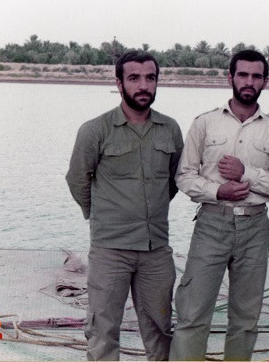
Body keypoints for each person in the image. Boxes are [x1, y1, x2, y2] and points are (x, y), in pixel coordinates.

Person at [169, 50, 269, 361]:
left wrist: (246, 174)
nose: (249, 82)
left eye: (256, 76)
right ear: (230, 77)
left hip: (255, 227)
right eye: (243, 75)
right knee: (192, 313)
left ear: (265, 81)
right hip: (211, 224)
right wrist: (218, 190)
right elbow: (184, 176)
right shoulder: (205, 123)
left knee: (246, 319)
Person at [65, 50, 183, 361]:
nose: (143, 85)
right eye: (134, 78)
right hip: (110, 250)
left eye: (150, 78)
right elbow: (77, 180)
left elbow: (173, 181)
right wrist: (102, 216)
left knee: (161, 329)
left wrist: (149, 212)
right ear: (119, 83)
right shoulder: (96, 130)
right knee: (103, 330)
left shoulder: (170, 129)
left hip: (156, 250)